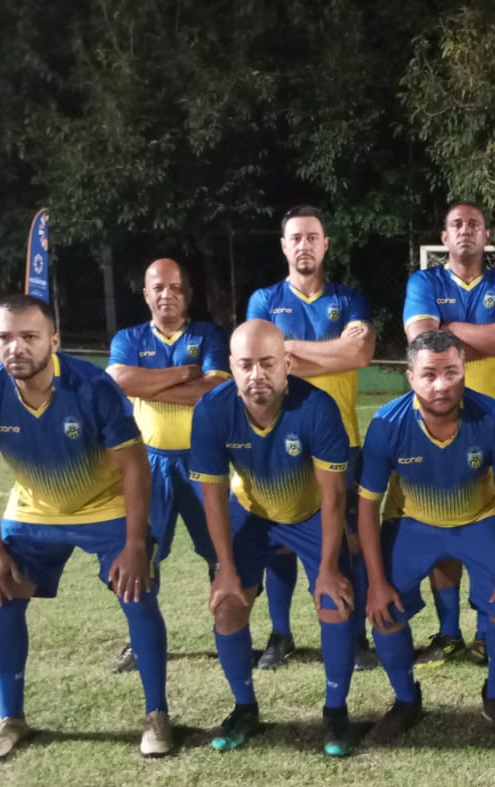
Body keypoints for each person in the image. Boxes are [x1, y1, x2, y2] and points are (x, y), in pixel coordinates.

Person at [0, 294, 171, 761]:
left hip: (106, 504)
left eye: (29, 337)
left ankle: (157, 714)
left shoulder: (93, 386)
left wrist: (135, 543)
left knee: (137, 594)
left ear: (53, 341)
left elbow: (135, 465)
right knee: (1, 595)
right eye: (4, 337)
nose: (16, 347)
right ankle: (10, 718)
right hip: (35, 509)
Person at [189, 320, 358, 757]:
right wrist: (225, 569)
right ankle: (244, 708)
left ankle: (335, 712)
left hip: (312, 513)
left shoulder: (317, 407)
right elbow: (212, 497)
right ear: (231, 366)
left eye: (267, 363)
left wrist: (328, 568)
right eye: (246, 365)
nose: (256, 375)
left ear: (287, 364)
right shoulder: (211, 409)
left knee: (334, 600)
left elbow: (333, 495)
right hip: (252, 513)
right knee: (227, 605)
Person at [357, 329, 495, 743]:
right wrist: (376, 582)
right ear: (411, 377)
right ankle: (405, 701)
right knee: (385, 612)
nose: (441, 385)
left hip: (479, 520)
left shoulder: (491, 417)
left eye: (451, 372)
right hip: (412, 523)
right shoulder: (387, 424)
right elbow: (367, 507)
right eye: (429, 375)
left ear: (464, 371)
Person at [246, 205, 377, 672]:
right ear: (284, 246)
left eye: (312, 237)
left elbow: (360, 354)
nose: (304, 245)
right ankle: (281, 634)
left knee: (350, 538)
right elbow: (262, 359)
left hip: (342, 438)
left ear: (325, 245)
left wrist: (289, 350)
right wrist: (332, 351)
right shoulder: (264, 300)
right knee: (280, 535)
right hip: (280, 438)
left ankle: (355, 634)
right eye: (296, 238)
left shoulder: (348, 298)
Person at [402, 202, 495, 666]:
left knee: (489, 527)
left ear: (487, 235)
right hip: (436, 425)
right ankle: (449, 631)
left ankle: (484, 631)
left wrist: (451, 329)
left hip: (493, 426)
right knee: (443, 523)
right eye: (456, 224)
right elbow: (422, 343)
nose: (465, 230)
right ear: (444, 236)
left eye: (474, 224)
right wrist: (482, 337)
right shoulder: (424, 283)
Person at [106, 258, 230, 672]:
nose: (167, 295)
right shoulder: (129, 338)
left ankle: (229, 632)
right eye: (158, 288)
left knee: (220, 552)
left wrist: (149, 385)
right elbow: (118, 381)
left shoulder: (207, 335)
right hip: (149, 463)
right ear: (146, 294)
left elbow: (214, 390)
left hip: (202, 463)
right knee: (141, 552)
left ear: (187, 293)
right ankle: (140, 641)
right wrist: (183, 374)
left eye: (175, 287)